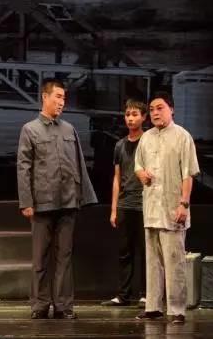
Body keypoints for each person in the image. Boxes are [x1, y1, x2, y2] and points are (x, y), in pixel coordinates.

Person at [17, 78, 97, 320]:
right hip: (42, 203)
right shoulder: (30, 129)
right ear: (45, 97)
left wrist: (83, 196)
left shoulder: (69, 129)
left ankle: (63, 306)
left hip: (68, 202)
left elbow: (79, 164)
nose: (62, 102)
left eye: (64, 98)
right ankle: (40, 305)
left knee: (64, 257)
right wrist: (26, 202)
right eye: (58, 97)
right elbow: (23, 168)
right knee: (40, 258)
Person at [134, 91, 199, 324]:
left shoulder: (182, 136)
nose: (155, 113)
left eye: (159, 108)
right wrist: (141, 173)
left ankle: (176, 309)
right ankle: (153, 307)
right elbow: (138, 165)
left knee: (174, 261)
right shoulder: (146, 137)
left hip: (173, 207)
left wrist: (184, 204)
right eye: (152, 109)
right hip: (151, 207)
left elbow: (188, 174)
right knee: (152, 261)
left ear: (171, 109)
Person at [101, 99, 147, 307]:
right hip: (125, 204)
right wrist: (114, 209)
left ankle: (147, 294)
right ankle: (123, 295)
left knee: (146, 252)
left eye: (135, 114)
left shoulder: (148, 142)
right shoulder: (120, 145)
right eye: (128, 114)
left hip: (145, 204)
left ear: (143, 117)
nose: (130, 118)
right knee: (124, 252)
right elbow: (117, 178)